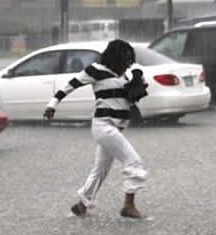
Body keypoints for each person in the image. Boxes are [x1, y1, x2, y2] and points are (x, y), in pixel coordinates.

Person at [43, 39, 148, 219]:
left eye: (130, 60)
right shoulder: (96, 71)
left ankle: (82, 204)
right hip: (104, 126)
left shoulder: (123, 77)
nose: (127, 64)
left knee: (100, 170)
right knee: (134, 162)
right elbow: (71, 85)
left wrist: (138, 85)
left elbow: (126, 101)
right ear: (114, 58)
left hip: (117, 127)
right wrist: (52, 104)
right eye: (125, 59)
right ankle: (128, 205)